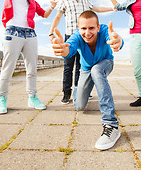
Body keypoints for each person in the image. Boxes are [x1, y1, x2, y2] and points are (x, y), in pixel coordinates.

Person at [51, 10, 123, 150]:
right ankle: (80, 89)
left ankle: (111, 124)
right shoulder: (77, 36)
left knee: (96, 70)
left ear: (97, 27)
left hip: (105, 63)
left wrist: (118, 41)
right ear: (78, 28)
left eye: (91, 28)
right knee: (79, 106)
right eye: (83, 28)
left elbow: (114, 38)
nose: (87, 32)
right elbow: (68, 49)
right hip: (85, 69)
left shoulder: (104, 31)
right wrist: (62, 49)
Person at [0, 0, 57, 114]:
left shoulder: (32, 1)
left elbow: (44, 14)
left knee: (32, 69)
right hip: (12, 33)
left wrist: (51, 6)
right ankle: (1, 98)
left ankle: (32, 97)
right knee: (7, 68)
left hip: (30, 35)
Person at [49, 0, 114, 105]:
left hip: (85, 38)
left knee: (81, 66)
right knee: (68, 67)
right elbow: (57, 17)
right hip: (71, 37)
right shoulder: (65, 1)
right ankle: (66, 93)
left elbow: (97, 9)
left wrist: (112, 8)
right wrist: (51, 32)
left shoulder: (85, 1)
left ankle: (81, 90)